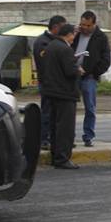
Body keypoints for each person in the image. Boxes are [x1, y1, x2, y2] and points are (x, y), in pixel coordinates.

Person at [41, 23, 82, 169]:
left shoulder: (51, 46)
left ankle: (56, 156)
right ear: (69, 34)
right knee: (65, 128)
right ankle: (63, 158)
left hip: (51, 92)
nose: (73, 39)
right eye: (73, 36)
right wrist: (78, 69)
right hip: (65, 93)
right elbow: (70, 71)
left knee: (54, 127)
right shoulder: (65, 49)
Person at [72, 10, 111, 147]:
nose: (85, 28)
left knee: (90, 107)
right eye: (82, 25)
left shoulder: (101, 38)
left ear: (94, 24)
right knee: (70, 107)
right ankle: (69, 136)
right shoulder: (75, 34)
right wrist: (74, 33)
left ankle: (88, 136)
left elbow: (106, 60)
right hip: (72, 75)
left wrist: (93, 73)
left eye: (88, 25)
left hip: (89, 77)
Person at [33, 15, 67, 150]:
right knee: (47, 112)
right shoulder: (43, 42)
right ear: (56, 27)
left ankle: (55, 139)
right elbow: (46, 63)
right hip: (47, 83)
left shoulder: (55, 41)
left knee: (55, 114)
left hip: (56, 84)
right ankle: (43, 139)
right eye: (63, 27)